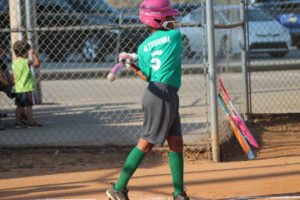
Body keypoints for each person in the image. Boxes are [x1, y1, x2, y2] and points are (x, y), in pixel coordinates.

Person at [105, 0, 189, 199]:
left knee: (176, 143)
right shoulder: (175, 35)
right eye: (169, 16)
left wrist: (131, 63)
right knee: (146, 144)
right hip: (162, 95)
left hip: (159, 93)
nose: (173, 19)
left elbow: (148, 75)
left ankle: (179, 194)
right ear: (158, 19)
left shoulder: (143, 47)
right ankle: (118, 187)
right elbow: (167, 51)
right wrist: (132, 60)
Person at [12, 40, 42, 128]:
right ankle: (31, 122)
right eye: (28, 52)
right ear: (25, 53)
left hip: (19, 88)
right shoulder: (27, 61)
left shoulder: (14, 63)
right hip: (28, 88)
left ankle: (18, 122)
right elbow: (37, 64)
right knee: (29, 106)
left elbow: (14, 77)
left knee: (19, 106)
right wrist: (34, 54)